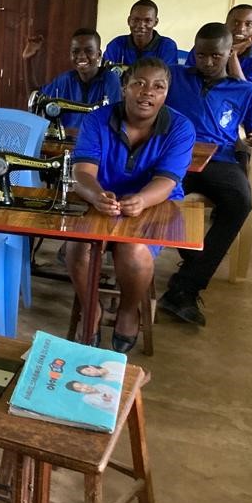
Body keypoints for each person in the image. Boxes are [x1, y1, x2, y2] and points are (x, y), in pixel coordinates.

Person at [69, 57, 196, 352]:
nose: (147, 92)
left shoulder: (180, 128)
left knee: (133, 250)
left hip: (154, 203)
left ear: (167, 93)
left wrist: (141, 199)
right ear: (124, 87)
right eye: (138, 83)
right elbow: (82, 172)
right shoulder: (96, 120)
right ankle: (92, 308)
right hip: (104, 199)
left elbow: (167, 182)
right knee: (78, 247)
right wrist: (95, 194)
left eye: (158, 86)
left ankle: (128, 309)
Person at [160, 23, 252, 326]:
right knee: (161, 193)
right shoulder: (173, 76)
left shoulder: (245, 90)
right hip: (175, 156)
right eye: (200, 54)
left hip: (219, 159)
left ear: (228, 53)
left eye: (215, 56)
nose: (206, 62)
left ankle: (185, 288)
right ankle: (195, 262)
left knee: (239, 201)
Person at [24, 28, 123, 130]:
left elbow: (114, 120)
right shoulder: (65, 80)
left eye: (88, 51)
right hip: (66, 143)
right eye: (75, 51)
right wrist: (28, 60)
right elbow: (35, 98)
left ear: (98, 55)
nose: (81, 56)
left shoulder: (110, 79)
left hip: (97, 143)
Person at [183, 4, 252, 89]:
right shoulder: (206, 45)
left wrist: (233, 54)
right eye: (236, 23)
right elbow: (188, 79)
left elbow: (244, 92)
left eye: (248, 24)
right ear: (225, 25)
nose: (241, 28)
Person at [103, 0, 179, 67]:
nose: (141, 25)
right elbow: (106, 74)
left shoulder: (167, 46)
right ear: (129, 20)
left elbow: (166, 77)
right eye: (136, 19)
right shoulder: (116, 44)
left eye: (147, 20)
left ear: (155, 22)